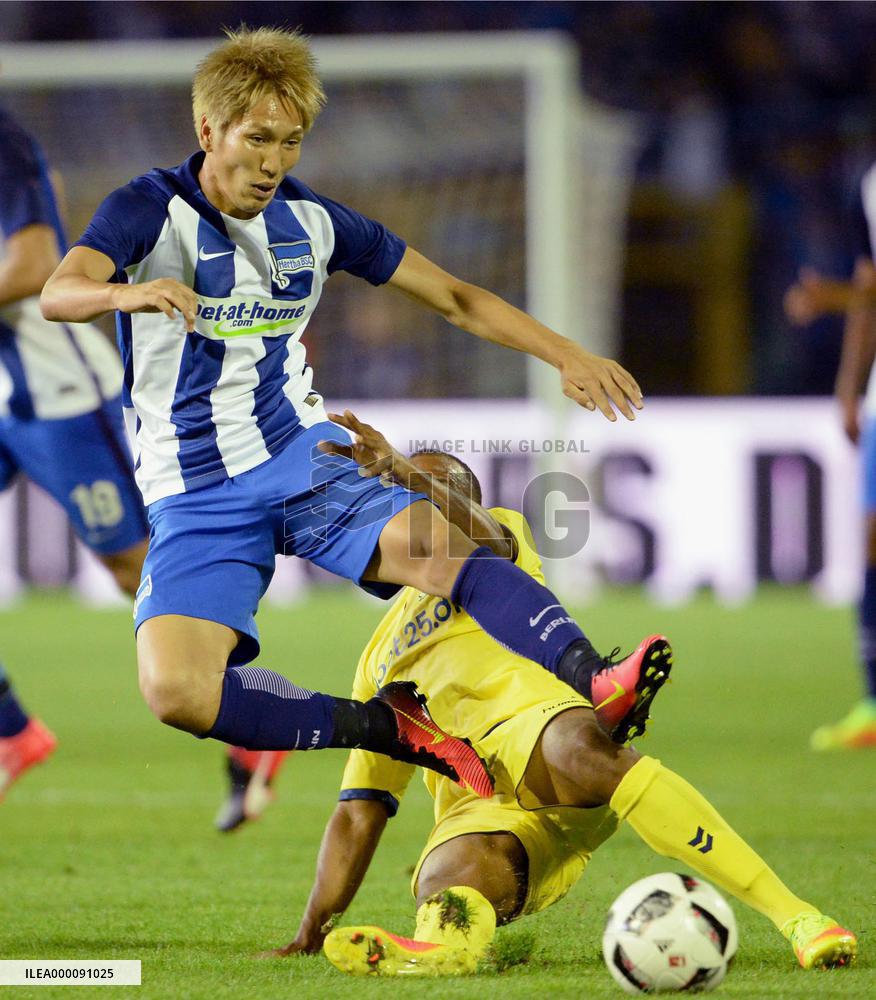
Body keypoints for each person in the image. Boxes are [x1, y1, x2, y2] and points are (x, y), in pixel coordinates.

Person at [39, 27, 650, 777]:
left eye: (291, 142)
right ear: (208, 131)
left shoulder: (316, 223)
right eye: (258, 139)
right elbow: (59, 292)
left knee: (441, 550)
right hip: (191, 489)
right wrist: (123, 293)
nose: (274, 162)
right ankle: (387, 725)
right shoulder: (146, 208)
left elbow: (456, 297)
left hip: (299, 454)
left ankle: (598, 677)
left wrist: (567, 354)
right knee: (178, 693)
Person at [272, 439, 857, 977]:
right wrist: (309, 933)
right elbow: (360, 809)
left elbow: (485, 540)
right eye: (402, 497)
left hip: (541, 737)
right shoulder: (378, 657)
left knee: (576, 745)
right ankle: (445, 950)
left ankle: (799, 918)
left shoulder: (500, 543)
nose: (414, 507)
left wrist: (410, 476)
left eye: (434, 493)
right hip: (477, 805)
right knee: (446, 876)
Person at [0, 104, 150, 798]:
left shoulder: (5, 143)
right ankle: (11, 730)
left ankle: (244, 710)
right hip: (6, 392)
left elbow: (34, 264)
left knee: (132, 565)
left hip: (59, 392)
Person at [784, 170, 876, 750]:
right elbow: (870, 283)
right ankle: (873, 704)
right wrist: (850, 386)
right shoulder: (869, 185)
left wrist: (833, 297)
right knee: (872, 537)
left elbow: (863, 289)